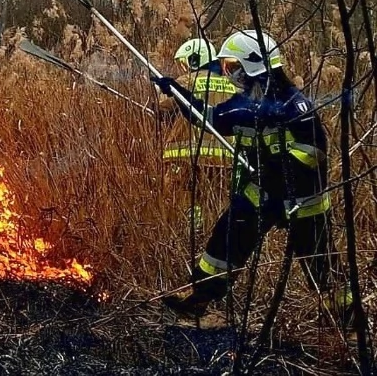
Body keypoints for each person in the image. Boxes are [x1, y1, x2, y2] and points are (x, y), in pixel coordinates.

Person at [151, 30, 352, 328]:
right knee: (227, 237)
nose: (230, 73)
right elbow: (210, 118)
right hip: (263, 192)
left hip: (304, 198)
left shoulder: (294, 106)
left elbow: (314, 154)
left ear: (253, 67)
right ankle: (199, 298)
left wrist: (280, 174)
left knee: (319, 261)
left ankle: (347, 320)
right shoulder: (244, 104)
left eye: (233, 66)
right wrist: (178, 93)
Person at [158, 38, 240, 232]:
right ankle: (211, 234)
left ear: (195, 60)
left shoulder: (186, 81)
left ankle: (188, 235)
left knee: (185, 200)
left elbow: (163, 107)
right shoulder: (231, 84)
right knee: (216, 204)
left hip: (187, 155)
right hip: (224, 159)